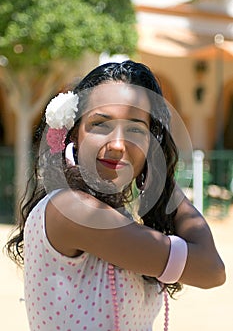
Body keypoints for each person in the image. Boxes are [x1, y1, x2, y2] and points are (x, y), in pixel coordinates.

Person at [6, 60, 225, 331]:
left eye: (135, 129)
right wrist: (161, 181)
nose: (119, 145)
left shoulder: (114, 216)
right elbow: (211, 269)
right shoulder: (72, 210)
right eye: (100, 124)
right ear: (74, 132)